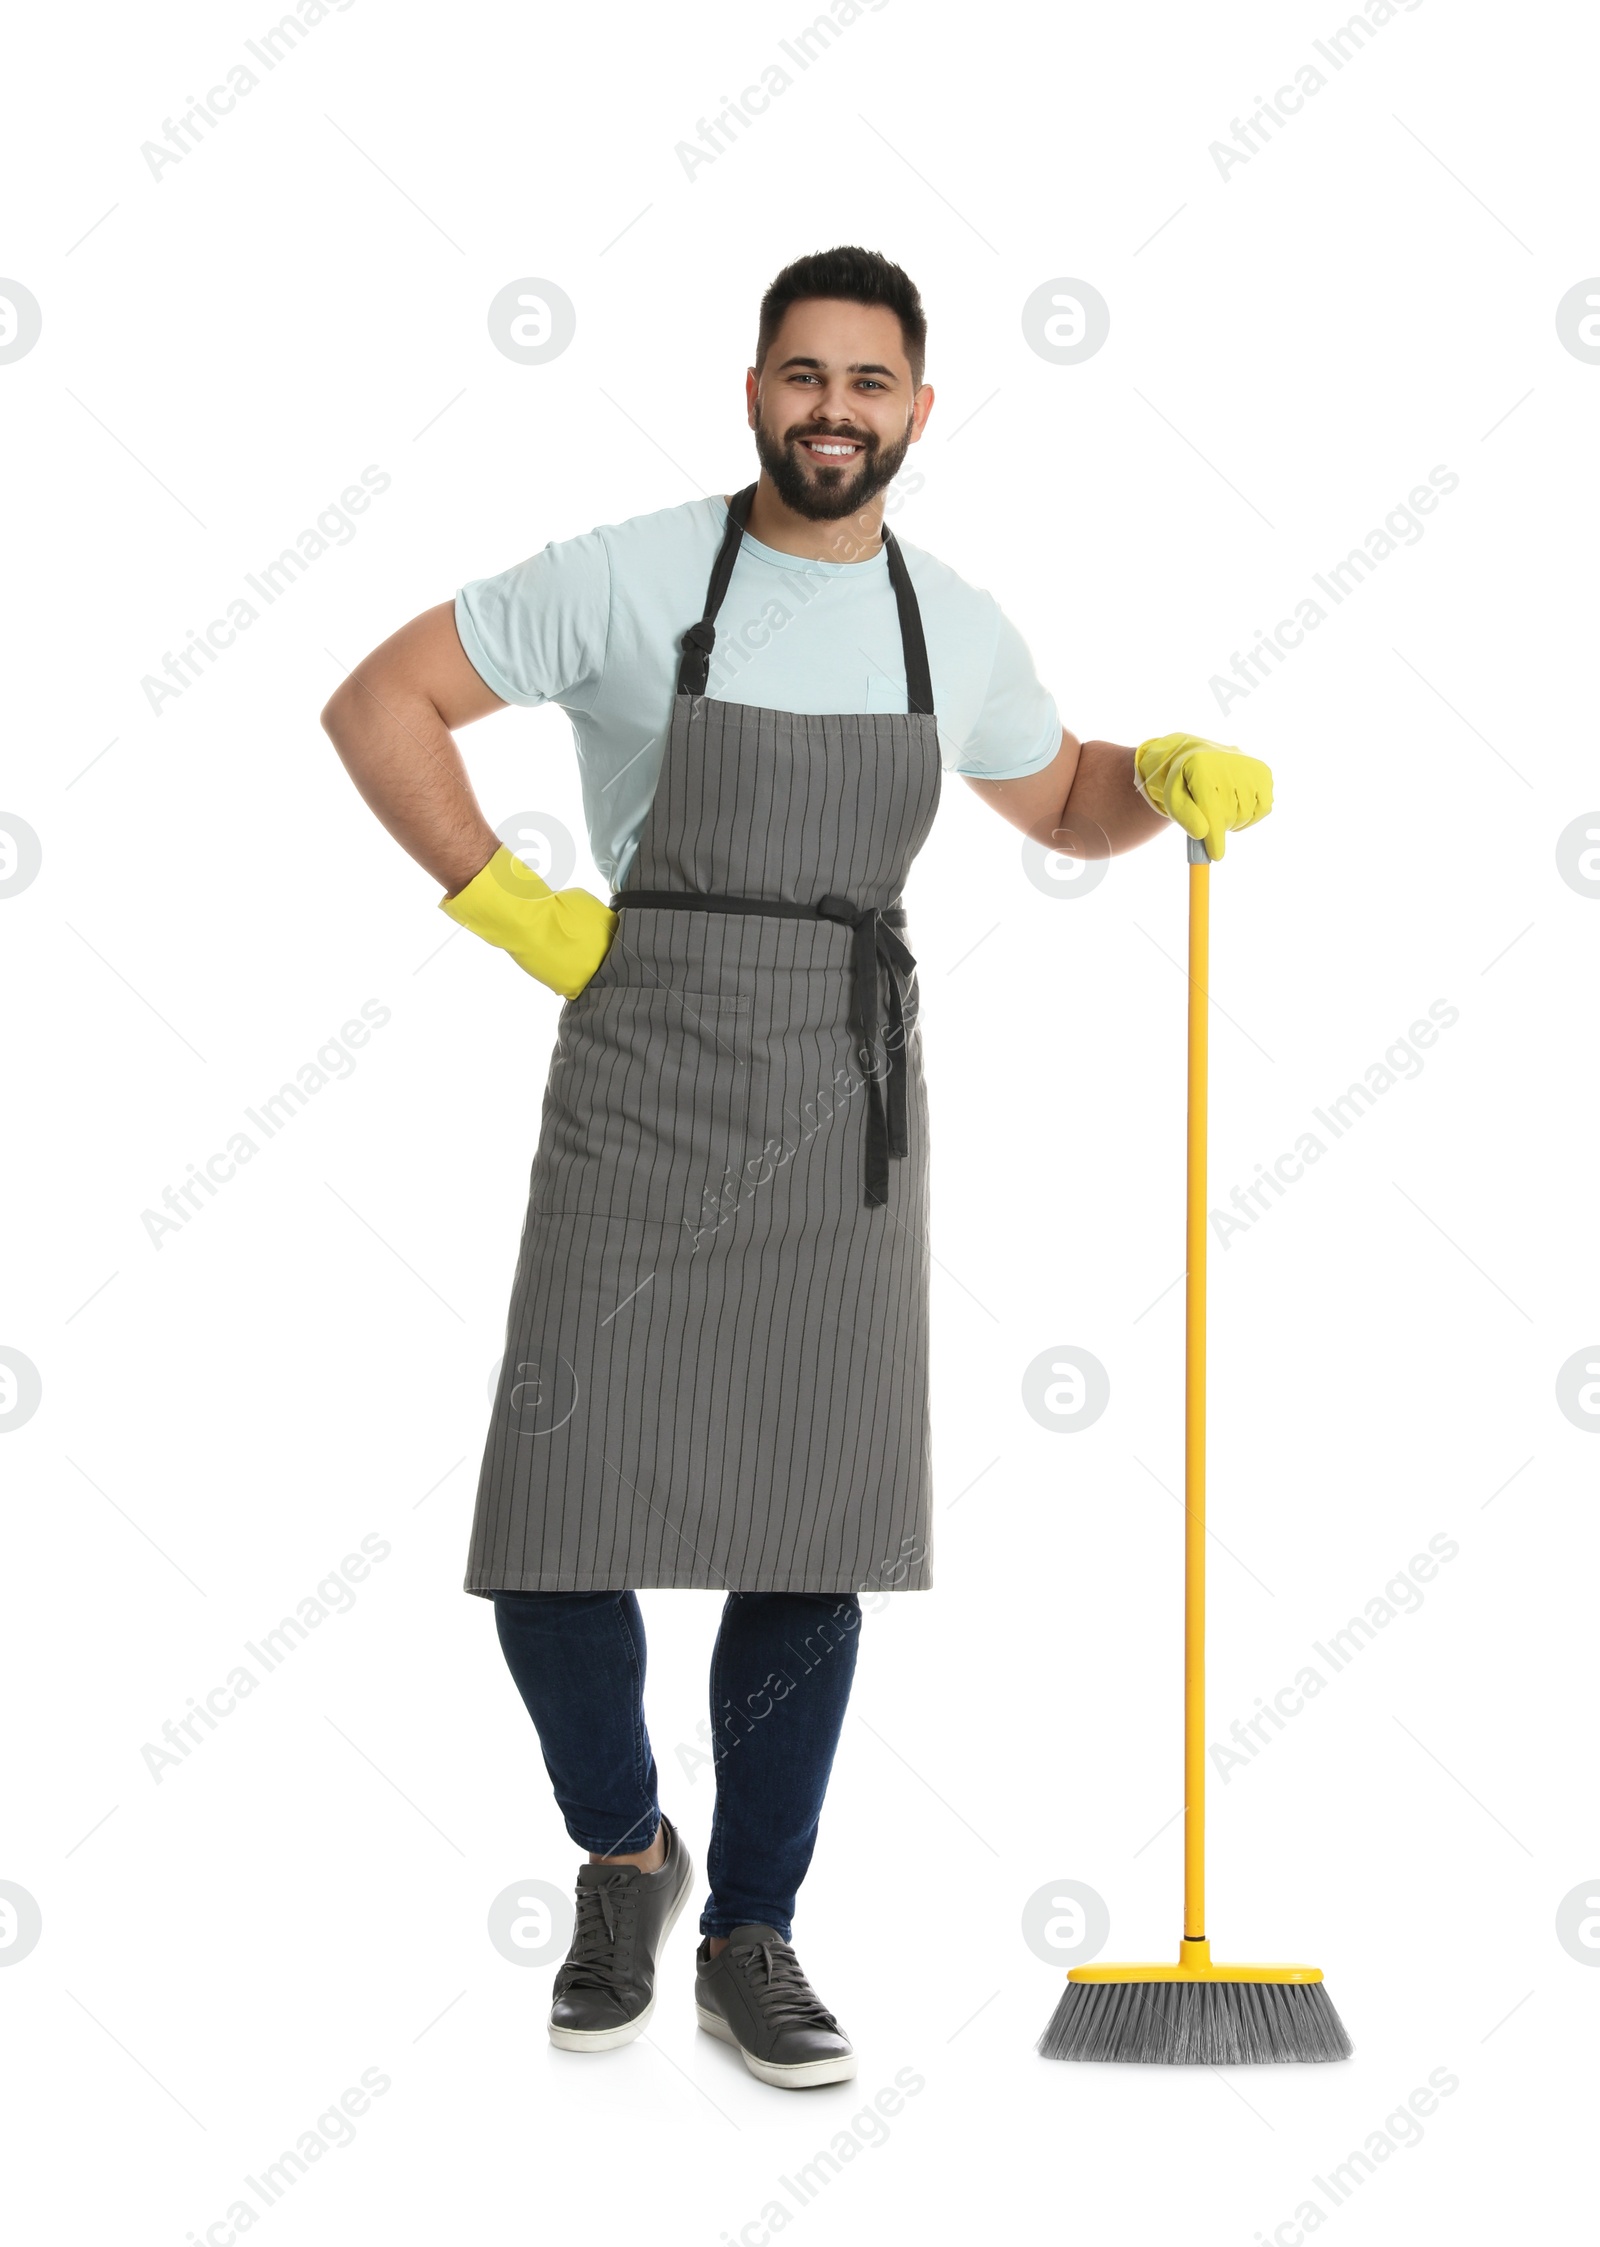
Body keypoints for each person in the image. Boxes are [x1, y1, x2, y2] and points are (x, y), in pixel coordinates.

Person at [321, 245, 1272, 2092]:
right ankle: (625, 1852)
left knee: (810, 1538)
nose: (832, 408)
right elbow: (378, 705)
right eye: (802, 375)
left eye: (869, 381)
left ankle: (753, 1927)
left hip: (842, 1099)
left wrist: (1154, 770)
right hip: (636, 1076)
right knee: (551, 1537)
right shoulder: (625, 572)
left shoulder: (956, 622)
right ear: (755, 388)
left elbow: (1060, 798)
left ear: (922, 407)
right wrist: (516, 906)